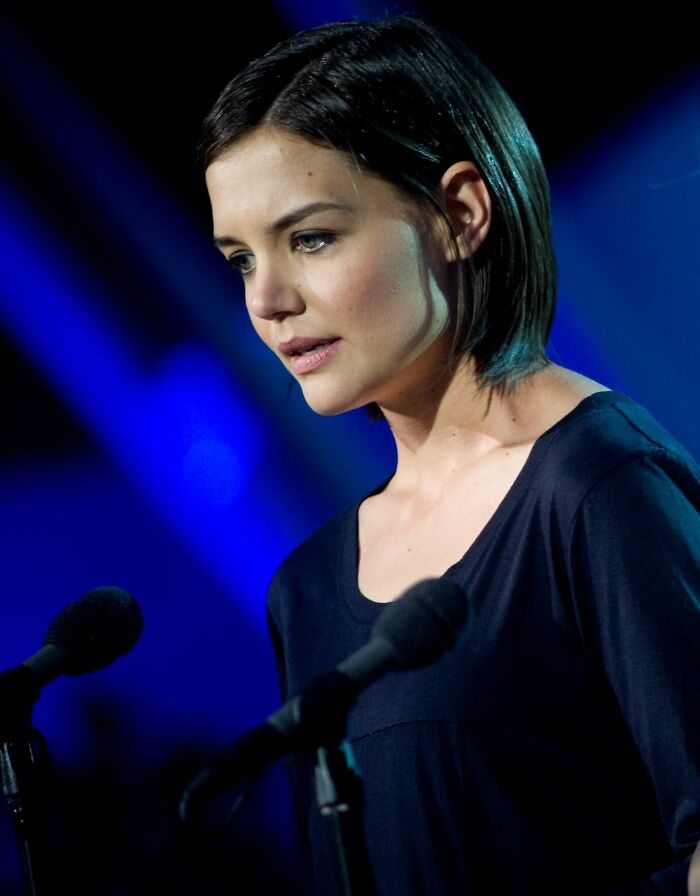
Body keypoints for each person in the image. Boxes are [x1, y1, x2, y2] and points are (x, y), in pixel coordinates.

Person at [198, 15, 700, 895]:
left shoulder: (600, 489)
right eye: (241, 260)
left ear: (461, 213)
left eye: (309, 238)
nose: (268, 299)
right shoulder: (307, 588)